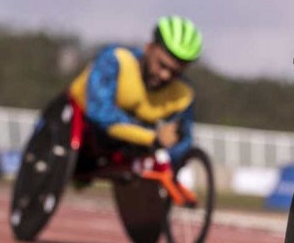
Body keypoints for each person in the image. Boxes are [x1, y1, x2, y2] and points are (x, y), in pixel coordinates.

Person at [68, 15, 202, 171]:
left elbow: (180, 142)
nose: (165, 75)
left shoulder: (183, 94)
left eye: (175, 72)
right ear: (149, 47)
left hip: (129, 145)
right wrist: (152, 137)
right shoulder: (116, 60)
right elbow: (99, 113)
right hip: (81, 126)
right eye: (162, 65)